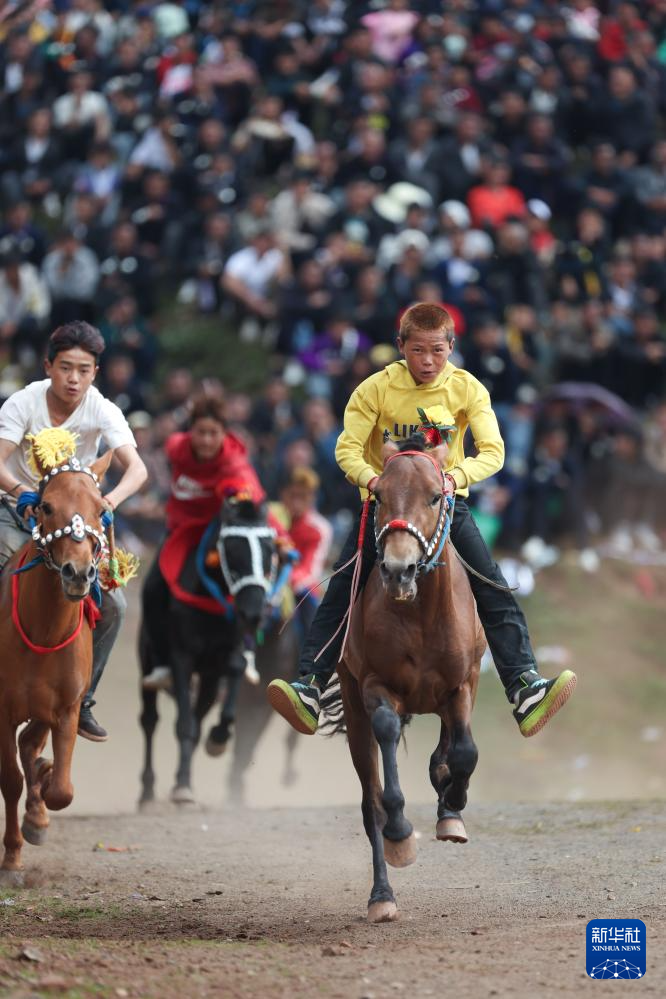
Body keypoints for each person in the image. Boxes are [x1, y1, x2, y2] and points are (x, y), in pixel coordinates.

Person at [268, 303, 577, 737]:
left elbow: (493, 451)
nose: (428, 361)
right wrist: (373, 481)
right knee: (343, 583)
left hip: (443, 505)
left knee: (490, 581)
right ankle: (311, 687)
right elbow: (347, 449)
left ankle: (524, 686)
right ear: (401, 348)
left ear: (451, 346)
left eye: (437, 350)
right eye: (417, 350)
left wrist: (453, 480)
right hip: (385, 506)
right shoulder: (373, 389)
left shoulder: (468, 389)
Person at [0, 320, 147, 741]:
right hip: (17, 515)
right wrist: (22, 491)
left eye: (83, 370)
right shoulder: (23, 403)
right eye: (66, 367)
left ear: (95, 372)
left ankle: (81, 699)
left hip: (74, 526)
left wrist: (109, 503)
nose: (74, 378)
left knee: (116, 606)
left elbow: (137, 469)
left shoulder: (102, 408)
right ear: (48, 366)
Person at [141, 395, 266, 690]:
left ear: (224, 434)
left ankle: (246, 649)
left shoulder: (235, 464)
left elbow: (253, 498)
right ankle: (160, 663)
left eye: (214, 433)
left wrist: (240, 493)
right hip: (179, 532)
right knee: (151, 589)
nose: (207, 440)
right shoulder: (175, 448)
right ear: (190, 432)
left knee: (249, 586)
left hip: (216, 536)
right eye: (201, 432)